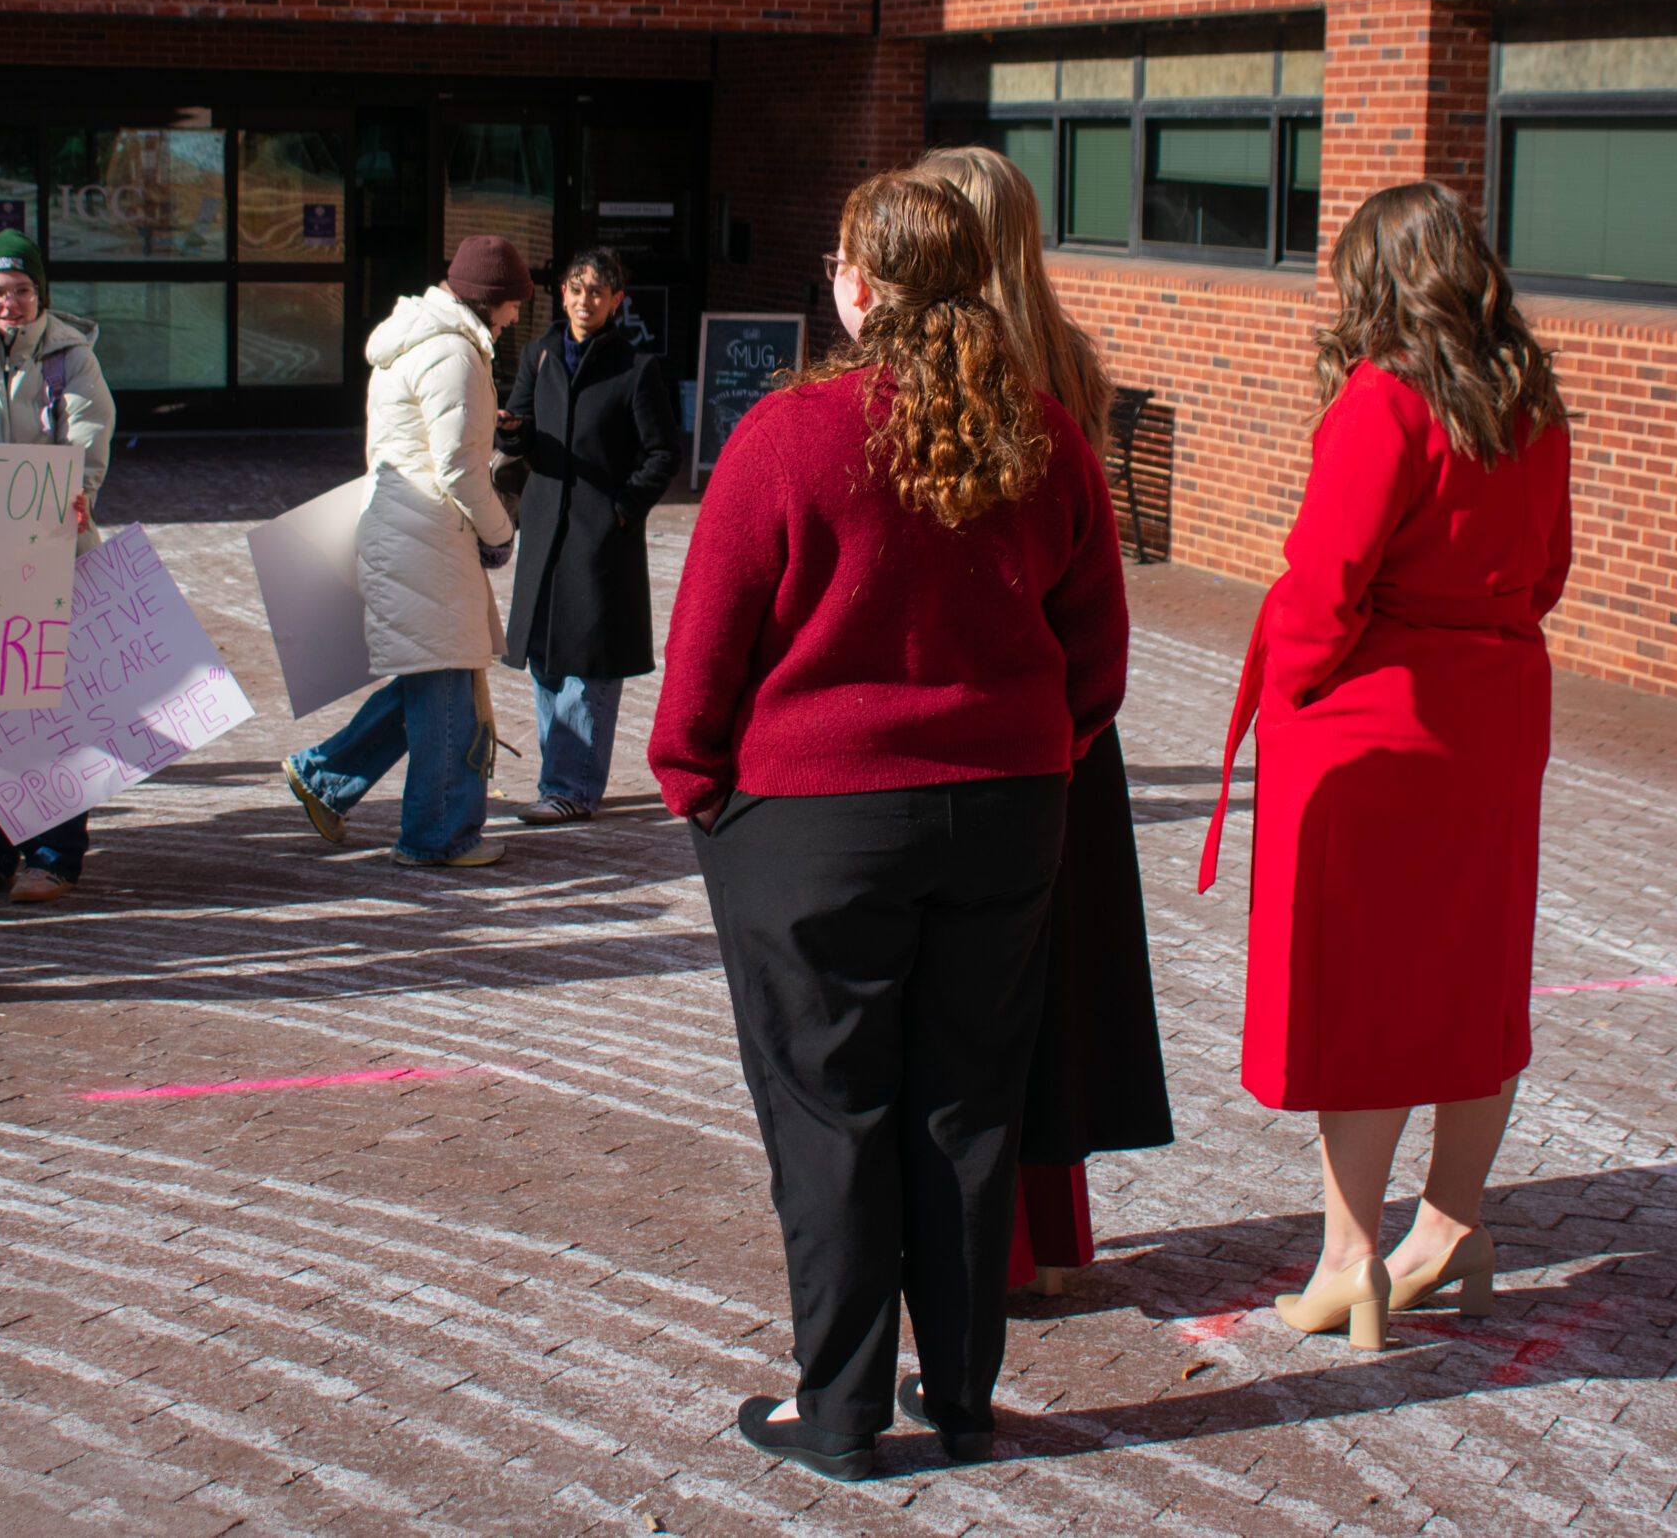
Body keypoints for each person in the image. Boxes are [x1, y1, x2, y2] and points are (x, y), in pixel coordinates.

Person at [652, 173, 1128, 1480]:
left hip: (811, 821)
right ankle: (963, 1397)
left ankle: (844, 1406)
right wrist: (1043, 752)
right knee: (967, 1108)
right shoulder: (1040, 431)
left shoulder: (791, 434)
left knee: (833, 1116)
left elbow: (707, 648)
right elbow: (1098, 652)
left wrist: (694, 777)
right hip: (1006, 811)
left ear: (859, 283)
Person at [1198, 182, 1572, 1350]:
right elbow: (1548, 569)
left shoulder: (1383, 396)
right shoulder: (1530, 399)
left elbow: (1323, 582)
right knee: (1471, 972)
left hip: (1377, 717)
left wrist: (1296, 687)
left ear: (1374, 279)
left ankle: (1352, 1255)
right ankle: (1450, 1222)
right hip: (1496, 706)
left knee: (1361, 988)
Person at [917, 146, 1174, 1297]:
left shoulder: (956, 372)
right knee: (1047, 982)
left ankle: (992, 1247)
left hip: (977, 711)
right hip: (1068, 712)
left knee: (965, 989)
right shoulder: (1062, 357)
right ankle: (1044, 1237)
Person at [280, 235, 528, 869]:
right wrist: (501, 532)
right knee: (447, 685)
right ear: (492, 298)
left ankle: (325, 776)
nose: (518, 316)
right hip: (430, 535)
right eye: (514, 303)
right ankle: (437, 835)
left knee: (431, 677)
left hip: (404, 530)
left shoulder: (417, 339)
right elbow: (458, 468)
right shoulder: (455, 353)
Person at [0, 230, 113, 904]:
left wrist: (77, 502)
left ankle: (55, 853)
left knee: (52, 709)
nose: (10, 303)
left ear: (40, 294)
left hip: (51, 561)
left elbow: (88, 443)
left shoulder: (71, 359)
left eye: (22, 291)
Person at [494, 248, 679, 825]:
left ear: (617, 301)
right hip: (545, 531)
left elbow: (662, 454)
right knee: (549, 660)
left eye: (597, 291)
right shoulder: (540, 354)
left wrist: (622, 509)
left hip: (601, 542)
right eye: (575, 289)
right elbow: (522, 438)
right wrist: (513, 434)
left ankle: (572, 788)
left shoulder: (636, 368)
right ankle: (560, 782)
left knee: (590, 665)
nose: (583, 300)